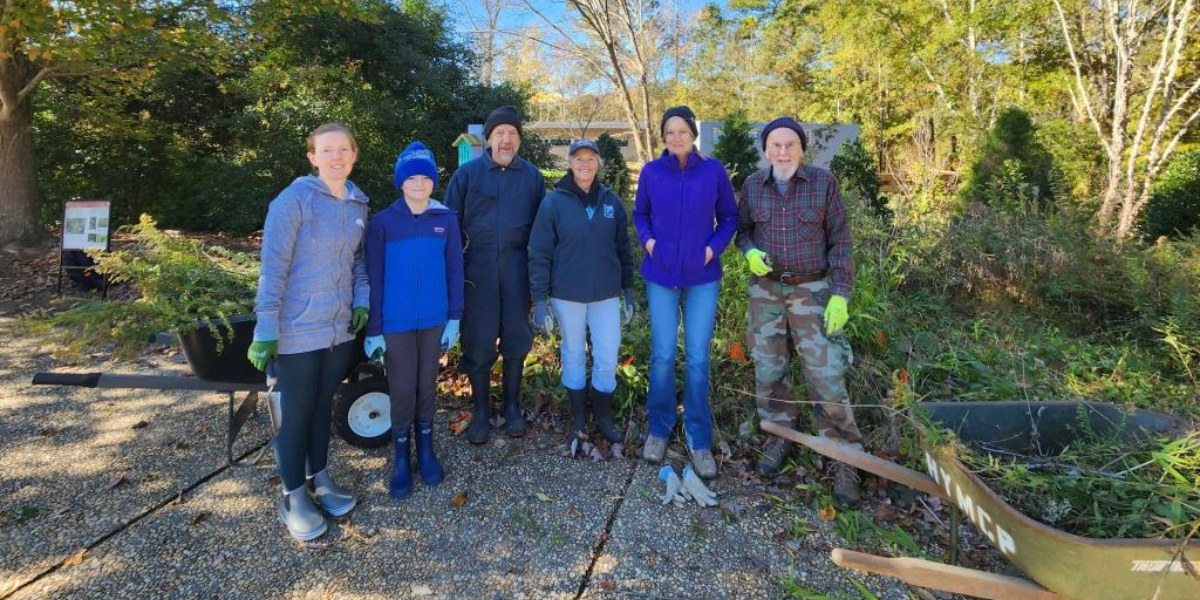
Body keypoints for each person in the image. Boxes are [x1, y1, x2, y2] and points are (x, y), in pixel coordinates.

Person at [247, 122, 368, 541]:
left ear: (354, 155)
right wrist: (266, 328)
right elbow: (273, 268)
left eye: (344, 150)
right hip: (296, 330)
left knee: (321, 408)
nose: (337, 157)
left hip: (337, 330)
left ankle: (321, 478)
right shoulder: (293, 201)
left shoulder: (357, 205)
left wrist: (362, 300)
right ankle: (293, 494)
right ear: (313, 158)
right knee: (296, 412)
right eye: (327, 150)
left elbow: (358, 263)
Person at [734, 116, 863, 506]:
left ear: (802, 148)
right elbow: (741, 231)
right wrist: (750, 251)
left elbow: (840, 241)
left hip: (813, 288)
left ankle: (844, 457)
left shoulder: (823, 183)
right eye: (775, 144)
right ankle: (780, 437)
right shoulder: (754, 186)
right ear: (766, 149)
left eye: (790, 144)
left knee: (825, 374)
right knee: (769, 369)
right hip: (767, 291)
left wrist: (840, 293)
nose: (783, 151)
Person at [633, 106, 738, 480]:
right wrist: (649, 244)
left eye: (682, 131)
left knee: (696, 358)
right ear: (663, 137)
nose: (676, 137)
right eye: (669, 132)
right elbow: (640, 215)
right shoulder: (651, 172)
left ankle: (698, 438)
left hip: (702, 277)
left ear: (693, 134)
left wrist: (711, 249)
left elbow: (729, 217)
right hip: (660, 274)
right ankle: (659, 429)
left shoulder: (713, 171)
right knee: (662, 355)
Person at [363, 142, 464, 499]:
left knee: (426, 386)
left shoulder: (446, 220)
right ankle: (401, 457)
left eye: (425, 177)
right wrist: (374, 329)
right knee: (402, 389)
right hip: (396, 323)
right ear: (400, 182)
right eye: (411, 178)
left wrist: (454, 318)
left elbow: (455, 270)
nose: (419, 184)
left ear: (433, 182)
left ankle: (426, 449)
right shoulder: (383, 223)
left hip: (435, 320)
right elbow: (373, 276)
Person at [444, 106, 546, 445]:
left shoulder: (531, 176)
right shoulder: (468, 175)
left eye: (513, 134)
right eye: (500, 133)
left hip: (518, 265)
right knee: (479, 339)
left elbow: (544, 229)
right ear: (488, 138)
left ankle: (513, 408)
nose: (506, 139)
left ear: (519, 140)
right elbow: (449, 228)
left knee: (516, 338)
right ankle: (482, 411)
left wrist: (540, 279)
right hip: (478, 268)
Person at [527, 139, 635, 454]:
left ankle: (602, 416)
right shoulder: (554, 202)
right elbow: (539, 252)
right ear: (570, 163)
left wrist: (628, 291)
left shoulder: (611, 202)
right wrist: (540, 299)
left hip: (605, 295)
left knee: (607, 354)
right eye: (579, 159)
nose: (585, 164)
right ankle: (578, 418)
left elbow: (624, 250)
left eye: (590, 159)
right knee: (573, 352)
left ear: (598, 163)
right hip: (567, 295)